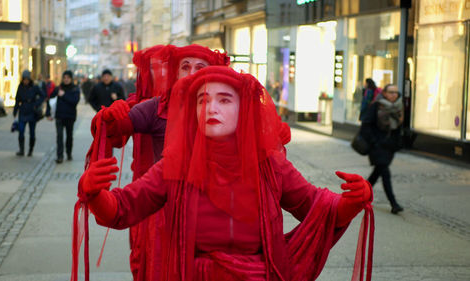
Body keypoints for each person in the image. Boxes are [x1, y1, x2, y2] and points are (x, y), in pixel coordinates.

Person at [78, 66, 373, 280]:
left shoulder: (271, 165)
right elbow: (124, 208)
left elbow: (318, 208)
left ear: (243, 109)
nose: (211, 108)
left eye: (224, 100)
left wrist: (353, 201)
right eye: (202, 101)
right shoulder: (176, 165)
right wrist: (95, 194)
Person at [100, 44, 231, 281]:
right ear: (176, 72)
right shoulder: (158, 107)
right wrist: (113, 117)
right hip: (166, 213)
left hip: (214, 212)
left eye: (200, 67)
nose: (192, 72)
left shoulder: (228, 109)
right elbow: (118, 126)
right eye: (185, 67)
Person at [361, 84, 404, 214]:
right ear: (384, 93)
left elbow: (398, 128)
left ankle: (361, 196)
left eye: (396, 92)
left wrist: (396, 144)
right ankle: (394, 203)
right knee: (385, 173)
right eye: (391, 92)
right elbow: (366, 124)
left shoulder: (398, 107)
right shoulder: (376, 106)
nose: (394, 95)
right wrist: (374, 141)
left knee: (376, 174)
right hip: (377, 146)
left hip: (389, 147)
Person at [46, 70, 80, 163]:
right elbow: (50, 99)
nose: (66, 80)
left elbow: (75, 101)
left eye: (68, 78)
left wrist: (64, 95)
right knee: (59, 137)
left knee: (69, 137)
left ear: (71, 79)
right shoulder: (58, 88)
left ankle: (69, 153)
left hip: (70, 117)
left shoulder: (75, 89)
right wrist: (48, 113)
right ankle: (59, 156)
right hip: (59, 116)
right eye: (64, 78)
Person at [13, 70, 45, 156]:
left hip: (32, 112)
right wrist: (15, 111)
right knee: (21, 131)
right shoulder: (20, 87)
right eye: (24, 79)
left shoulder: (34, 87)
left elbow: (43, 95)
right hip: (23, 111)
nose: (26, 81)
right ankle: (21, 150)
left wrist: (36, 104)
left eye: (27, 79)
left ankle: (31, 149)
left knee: (32, 133)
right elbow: (17, 100)